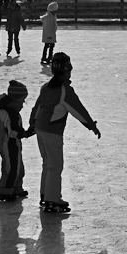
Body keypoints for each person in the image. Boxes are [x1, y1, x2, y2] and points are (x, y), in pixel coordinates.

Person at [28, 52, 101, 214]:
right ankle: (52, 199)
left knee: (47, 164)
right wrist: (91, 125)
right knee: (55, 166)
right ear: (67, 71)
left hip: (40, 129)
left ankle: (45, 194)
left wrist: (32, 125)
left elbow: (36, 108)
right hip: (52, 132)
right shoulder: (64, 91)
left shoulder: (46, 87)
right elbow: (78, 110)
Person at [0, 80, 30, 202]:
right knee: (12, 168)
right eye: (22, 101)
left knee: (18, 166)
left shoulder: (8, 110)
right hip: (9, 144)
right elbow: (13, 131)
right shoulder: (11, 113)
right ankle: (4, 190)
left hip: (10, 144)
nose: (23, 104)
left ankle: (16, 188)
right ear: (15, 100)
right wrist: (25, 133)